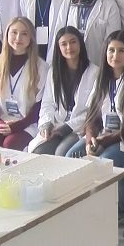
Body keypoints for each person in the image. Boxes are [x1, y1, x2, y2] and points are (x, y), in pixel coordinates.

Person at [67, 30, 124, 221]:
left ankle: (122, 209)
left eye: (121, 51)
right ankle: (82, 207)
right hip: (104, 135)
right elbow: (92, 116)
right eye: (111, 50)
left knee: (106, 161)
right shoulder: (102, 78)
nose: (115, 55)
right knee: (71, 156)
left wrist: (108, 140)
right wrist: (91, 139)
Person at [0, 17, 48, 150]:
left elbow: (40, 105)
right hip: (1, 120)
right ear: (7, 34)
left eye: (24, 34)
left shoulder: (41, 67)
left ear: (31, 38)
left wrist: (18, 125)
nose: (18, 38)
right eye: (14, 32)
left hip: (27, 123)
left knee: (10, 144)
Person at [29, 27, 99, 155]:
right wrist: (46, 124)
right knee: (40, 151)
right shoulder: (53, 72)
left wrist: (67, 127)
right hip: (57, 124)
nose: (69, 47)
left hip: (79, 128)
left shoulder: (95, 72)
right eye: (64, 44)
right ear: (58, 48)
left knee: (61, 152)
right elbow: (47, 103)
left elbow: (93, 111)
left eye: (73, 42)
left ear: (80, 43)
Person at [55, 0, 120, 66]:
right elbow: (59, 32)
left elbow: (112, 42)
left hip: (97, 64)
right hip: (70, 64)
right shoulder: (68, 1)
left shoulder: (109, 5)